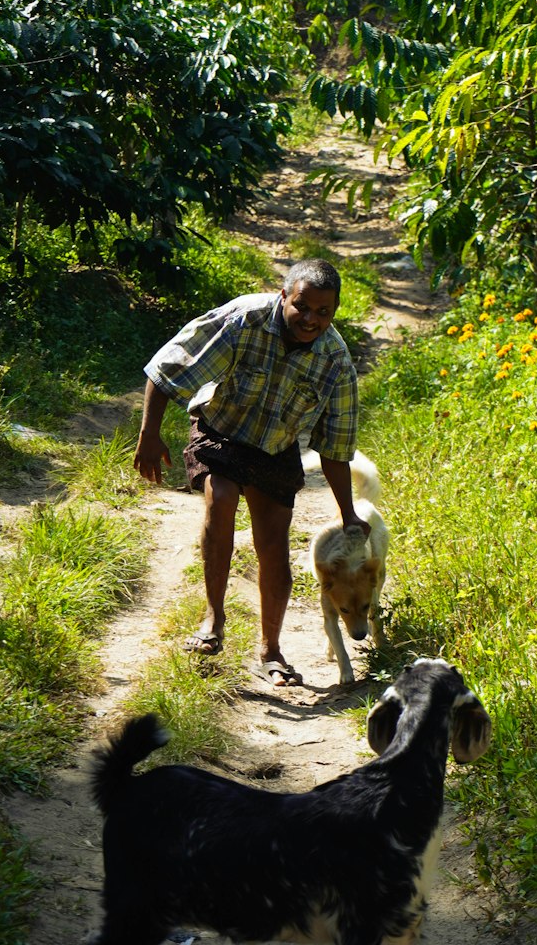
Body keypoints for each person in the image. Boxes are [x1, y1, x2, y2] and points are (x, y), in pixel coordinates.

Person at [132, 258, 369, 688]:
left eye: (324, 312)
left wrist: (348, 512)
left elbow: (335, 446)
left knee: (273, 544)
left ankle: (270, 650)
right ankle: (213, 620)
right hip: (220, 430)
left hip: (275, 448)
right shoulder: (243, 320)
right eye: (303, 306)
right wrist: (149, 433)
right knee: (220, 499)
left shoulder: (335, 360)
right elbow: (168, 368)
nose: (311, 319)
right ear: (284, 296)